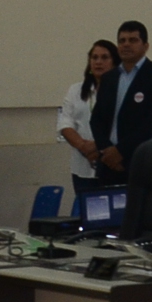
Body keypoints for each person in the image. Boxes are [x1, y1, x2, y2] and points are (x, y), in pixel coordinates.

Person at [87, 19, 152, 186]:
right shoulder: (109, 78)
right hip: (108, 163)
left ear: (145, 46)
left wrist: (120, 152)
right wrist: (107, 151)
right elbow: (96, 119)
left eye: (133, 40)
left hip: (142, 159)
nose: (126, 44)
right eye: (122, 41)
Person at [58, 40, 118, 200]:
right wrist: (84, 147)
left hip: (113, 164)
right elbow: (65, 123)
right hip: (82, 167)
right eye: (94, 57)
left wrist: (98, 146)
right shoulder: (76, 90)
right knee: (87, 211)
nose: (98, 62)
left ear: (115, 62)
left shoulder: (121, 90)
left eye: (104, 57)